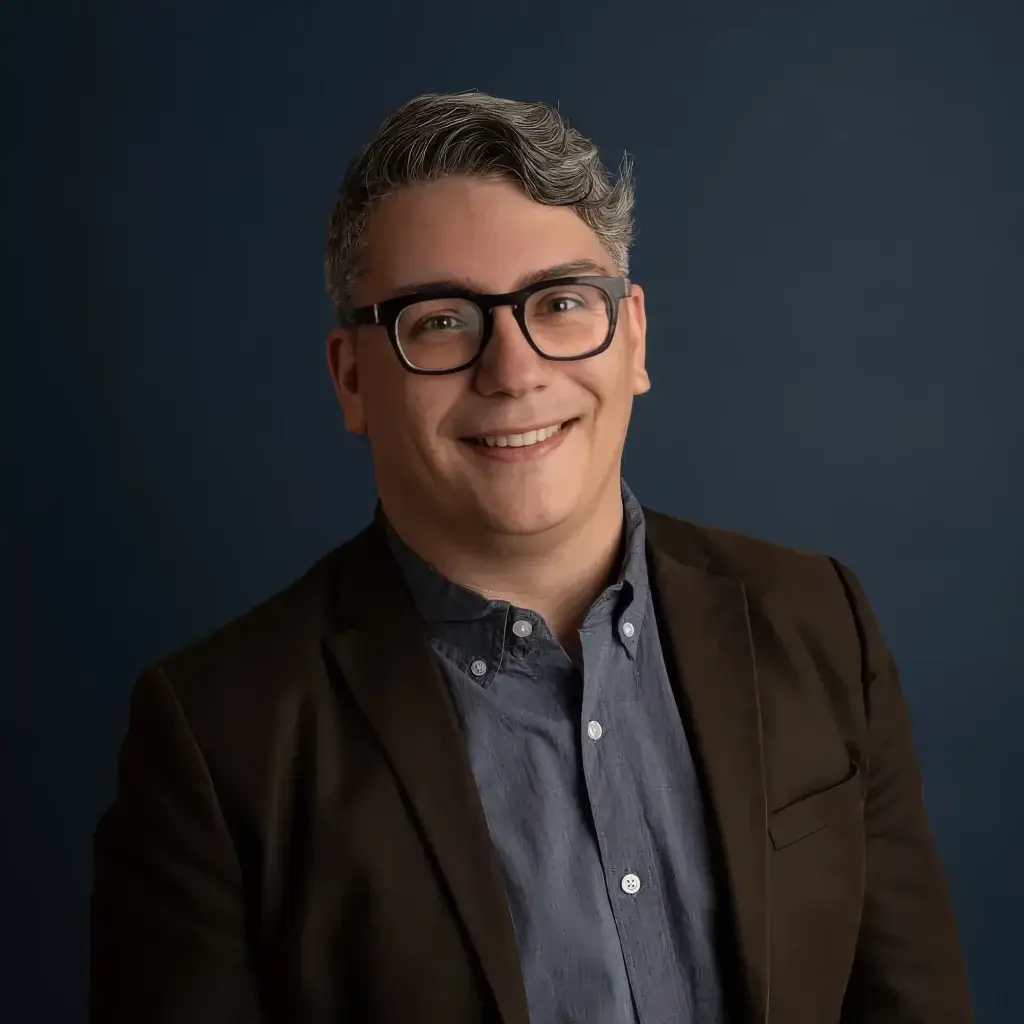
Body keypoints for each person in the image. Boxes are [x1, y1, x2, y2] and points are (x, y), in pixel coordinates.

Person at [89, 91, 973, 1024]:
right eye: (439, 319)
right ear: (351, 378)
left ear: (632, 336)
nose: (513, 371)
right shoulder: (214, 739)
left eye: (558, 302)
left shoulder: (819, 622)